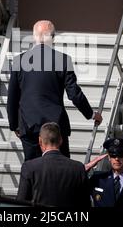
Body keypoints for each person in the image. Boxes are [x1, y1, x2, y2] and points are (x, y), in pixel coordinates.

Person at [7, 20, 103, 160]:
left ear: (34, 37)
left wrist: (14, 125)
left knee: (32, 171)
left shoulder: (19, 61)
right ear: (52, 38)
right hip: (55, 126)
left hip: (29, 125)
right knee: (61, 170)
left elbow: (13, 97)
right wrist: (91, 114)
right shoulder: (63, 60)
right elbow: (74, 94)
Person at [16, 122, 90, 207]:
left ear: (40, 141)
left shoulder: (29, 167)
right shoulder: (78, 168)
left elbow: (20, 203)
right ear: (61, 140)